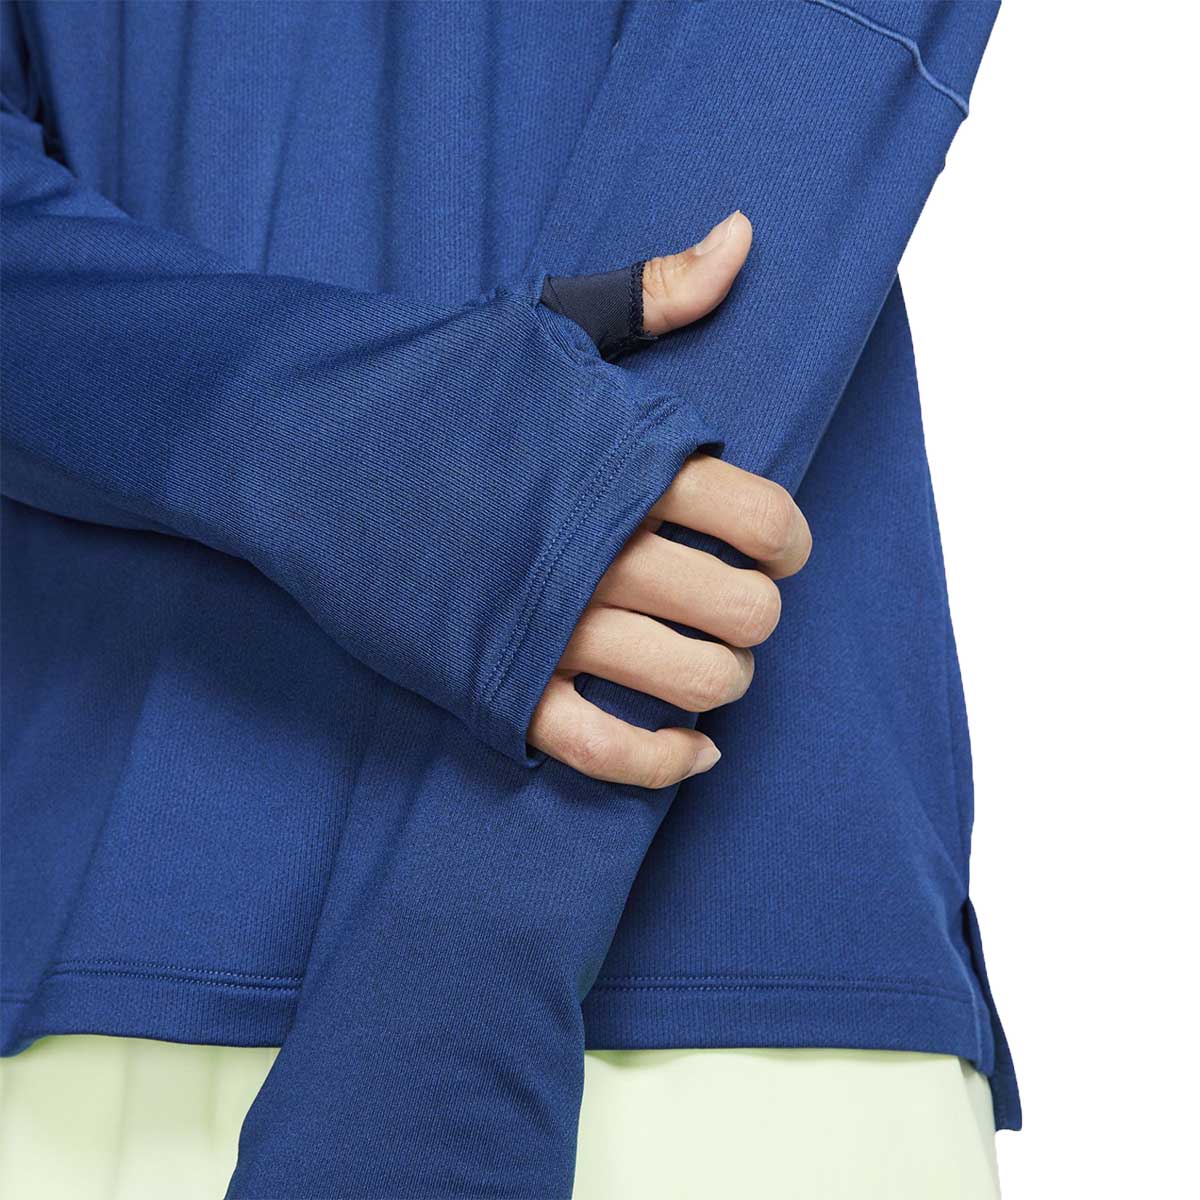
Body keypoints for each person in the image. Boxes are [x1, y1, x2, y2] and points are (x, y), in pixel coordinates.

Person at [0, 2, 1017, 1196]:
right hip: (102, 963)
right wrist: (360, 443)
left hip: (706, 991)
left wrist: (456, 968)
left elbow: (800, 78)